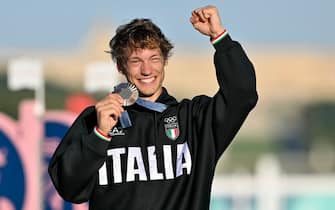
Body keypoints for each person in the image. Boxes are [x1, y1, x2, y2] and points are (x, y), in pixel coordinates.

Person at [48, 5, 258, 210]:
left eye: (154, 58)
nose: (147, 69)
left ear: (165, 61)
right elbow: (69, 189)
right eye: (136, 61)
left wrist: (219, 37)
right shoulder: (98, 118)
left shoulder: (194, 120)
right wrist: (99, 135)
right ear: (121, 66)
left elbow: (242, 94)